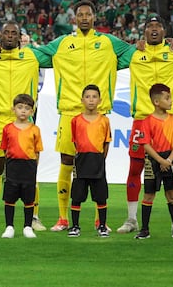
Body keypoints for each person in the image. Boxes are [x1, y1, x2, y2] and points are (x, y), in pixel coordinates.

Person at [37, 0, 134, 232]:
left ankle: (100, 220)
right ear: (74, 18)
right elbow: (37, 55)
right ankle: (63, 218)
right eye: (79, 14)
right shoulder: (62, 43)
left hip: (97, 114)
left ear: (94, 18)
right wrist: (19, 48)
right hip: (70, 112)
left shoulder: (108, 42)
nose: (83, 18)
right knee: (67, 163)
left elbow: (134, 52)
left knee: (97, 164)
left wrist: (114, 66)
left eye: (87, 14)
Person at [0, 21, 52, 231]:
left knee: (29, 168)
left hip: (25, 121)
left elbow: (57, 53)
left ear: (20, 36)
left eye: (14, 33)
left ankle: (33, 217)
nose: (10, 36)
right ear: (0, 36)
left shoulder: (32, 56)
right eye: (7, 32)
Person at [118, 15, 173, 234]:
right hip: (142, 120)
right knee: (135, 169)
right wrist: (133, 46)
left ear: (164, 30)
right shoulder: (134, 53)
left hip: (169, 121)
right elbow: (108, 58)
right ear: (143, 32)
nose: (153, 29)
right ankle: (131, 220)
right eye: (149, 26)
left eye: (158, 26)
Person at [135, 84, 173, 240]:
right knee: (148, 195)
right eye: (167, 98)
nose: (171, 101)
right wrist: (160, 160)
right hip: (153, 160)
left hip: (171, 160)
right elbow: (145, 144)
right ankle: (144, 229)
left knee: (172, 194)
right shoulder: (147, 121)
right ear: (156, 102)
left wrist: (169, 160)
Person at [68, 85, 111, 238]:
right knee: (77, 195)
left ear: (99, 100)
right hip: (81, 161)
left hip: (97, 161)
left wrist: (100, 158)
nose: (91, 100)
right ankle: (75, 226)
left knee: (100, 196)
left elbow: (106, 142)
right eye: (87, 97)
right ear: (82, 100)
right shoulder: (76, 121)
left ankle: (102, 226)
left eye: (94, 97)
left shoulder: (104, 121)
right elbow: (75, 141)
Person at [0, 94, 42, 239]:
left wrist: (34, 167)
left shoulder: (35, 129)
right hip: (13, 166)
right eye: (20, 107)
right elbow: (5, 149)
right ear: (13, 109)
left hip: (29, 166)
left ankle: (28, 226)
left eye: (27, 108)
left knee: (29, 199)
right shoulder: (8, 129)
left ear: (32, 111)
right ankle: (9, 226)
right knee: (10, 198)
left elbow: (37, 151)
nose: (23, 111)